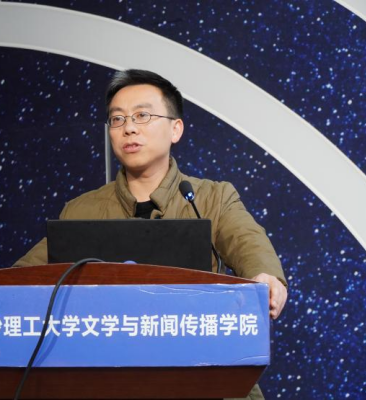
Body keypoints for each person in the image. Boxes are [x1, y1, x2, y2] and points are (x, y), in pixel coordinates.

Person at [14, 69, 287, 399]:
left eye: (142, 115)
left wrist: (266, 277)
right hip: (108, 378)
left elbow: (247, 241)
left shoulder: (211, 198)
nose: (129, 128)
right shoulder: (81, 210)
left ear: (175, 129)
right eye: (117, 119)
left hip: (200, 373)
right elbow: (20, 279)